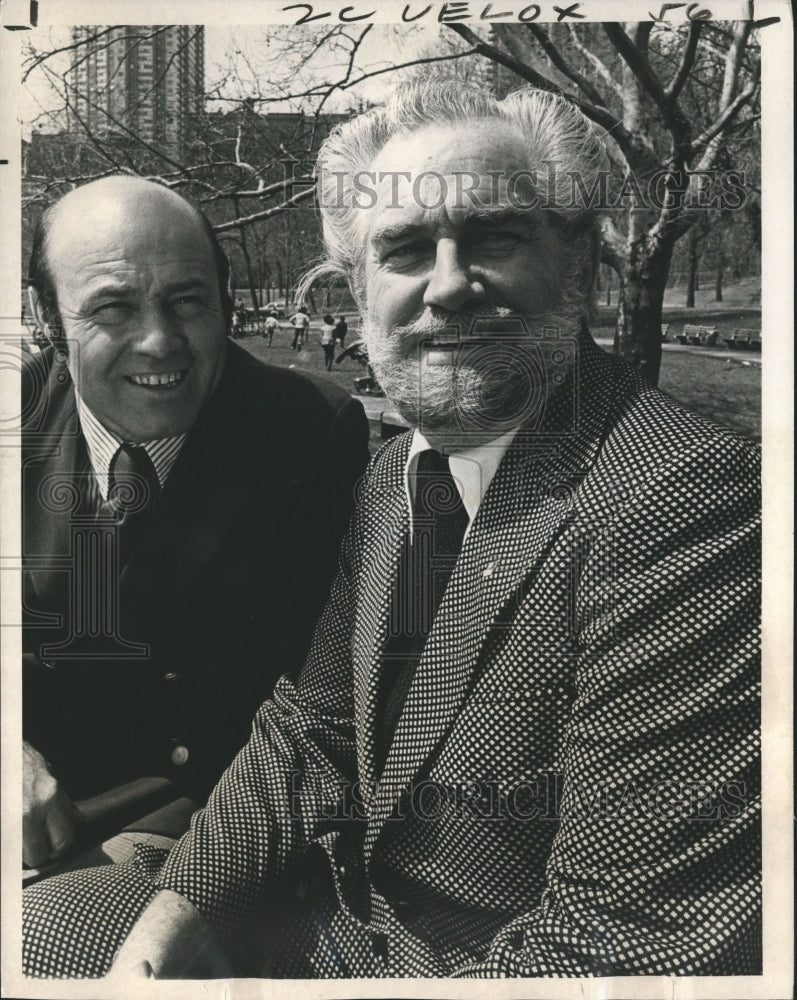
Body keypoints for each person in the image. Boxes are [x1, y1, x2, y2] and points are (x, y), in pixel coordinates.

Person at [23, 81, 760, 979]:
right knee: (40, 937)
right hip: (333, 915)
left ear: (578, 263)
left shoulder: (685, 496)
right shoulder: (396, 476)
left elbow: (620, 944)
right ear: (355, 288)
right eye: (405, 248)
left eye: (494, 236)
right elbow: (314, 731)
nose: (448, 284)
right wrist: (169, 921)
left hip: (488, 961)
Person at [19, 177, 369, 876]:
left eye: (187, 301)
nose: (159, 342)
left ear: (226, 297)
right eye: (113, 308)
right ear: (49, 318)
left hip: (196, 817)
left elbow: (311, 702)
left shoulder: (306, 432)